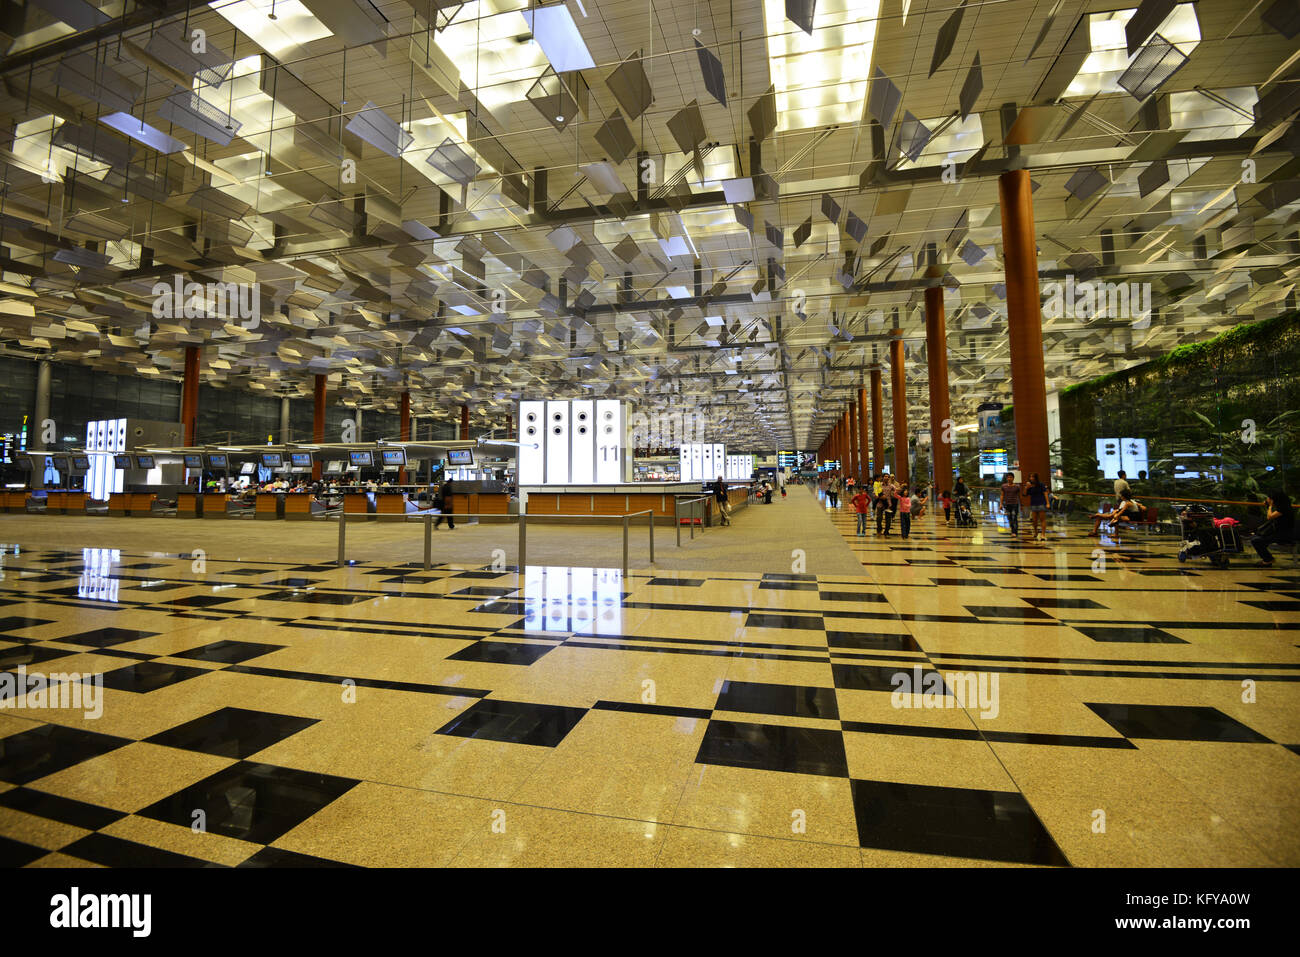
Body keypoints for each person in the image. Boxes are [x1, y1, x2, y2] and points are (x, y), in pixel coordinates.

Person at [1251, 489, 1295, 567]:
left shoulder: (1283, 508)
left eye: (1269, 498)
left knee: (1256, 540)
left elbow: (1270, 516)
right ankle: (1267, 558)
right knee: (1256, 538)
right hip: (1279, 532)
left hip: (1283, 534)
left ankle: (1268, 559)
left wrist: (1270, 506)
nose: (1267, 499)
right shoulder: (1283, 506)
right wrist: (1269, 505)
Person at [1025, 471, 1050, 541]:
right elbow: (1025, 494)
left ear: (1036, 478)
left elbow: (1045, 493)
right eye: (1030, 477)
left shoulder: (1041, 484)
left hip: (1041, 503)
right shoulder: (1029, 485)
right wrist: (1026, 487)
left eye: (1033, 477)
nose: (1031, 478)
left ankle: (1043, 534)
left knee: (1042, 519)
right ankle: (1036, 531)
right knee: (1034, 520)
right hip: (1033, 504)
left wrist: (1048, 503)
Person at [1000, 472, 1022, 536]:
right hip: (1007, 504)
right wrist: (1000, 504)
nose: (1009, 478)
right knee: (1009, 518)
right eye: (1008, 477)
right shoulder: (1004, 486)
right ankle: (1013, 530)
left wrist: (1021, 505)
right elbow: (1002, 495)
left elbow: (1019, 496)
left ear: (1013, 478)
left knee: (1014, 517)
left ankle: (1015, 531)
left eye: (1011, 477)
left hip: (1015, 504)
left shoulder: (1017, 486)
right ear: (1006, 478)